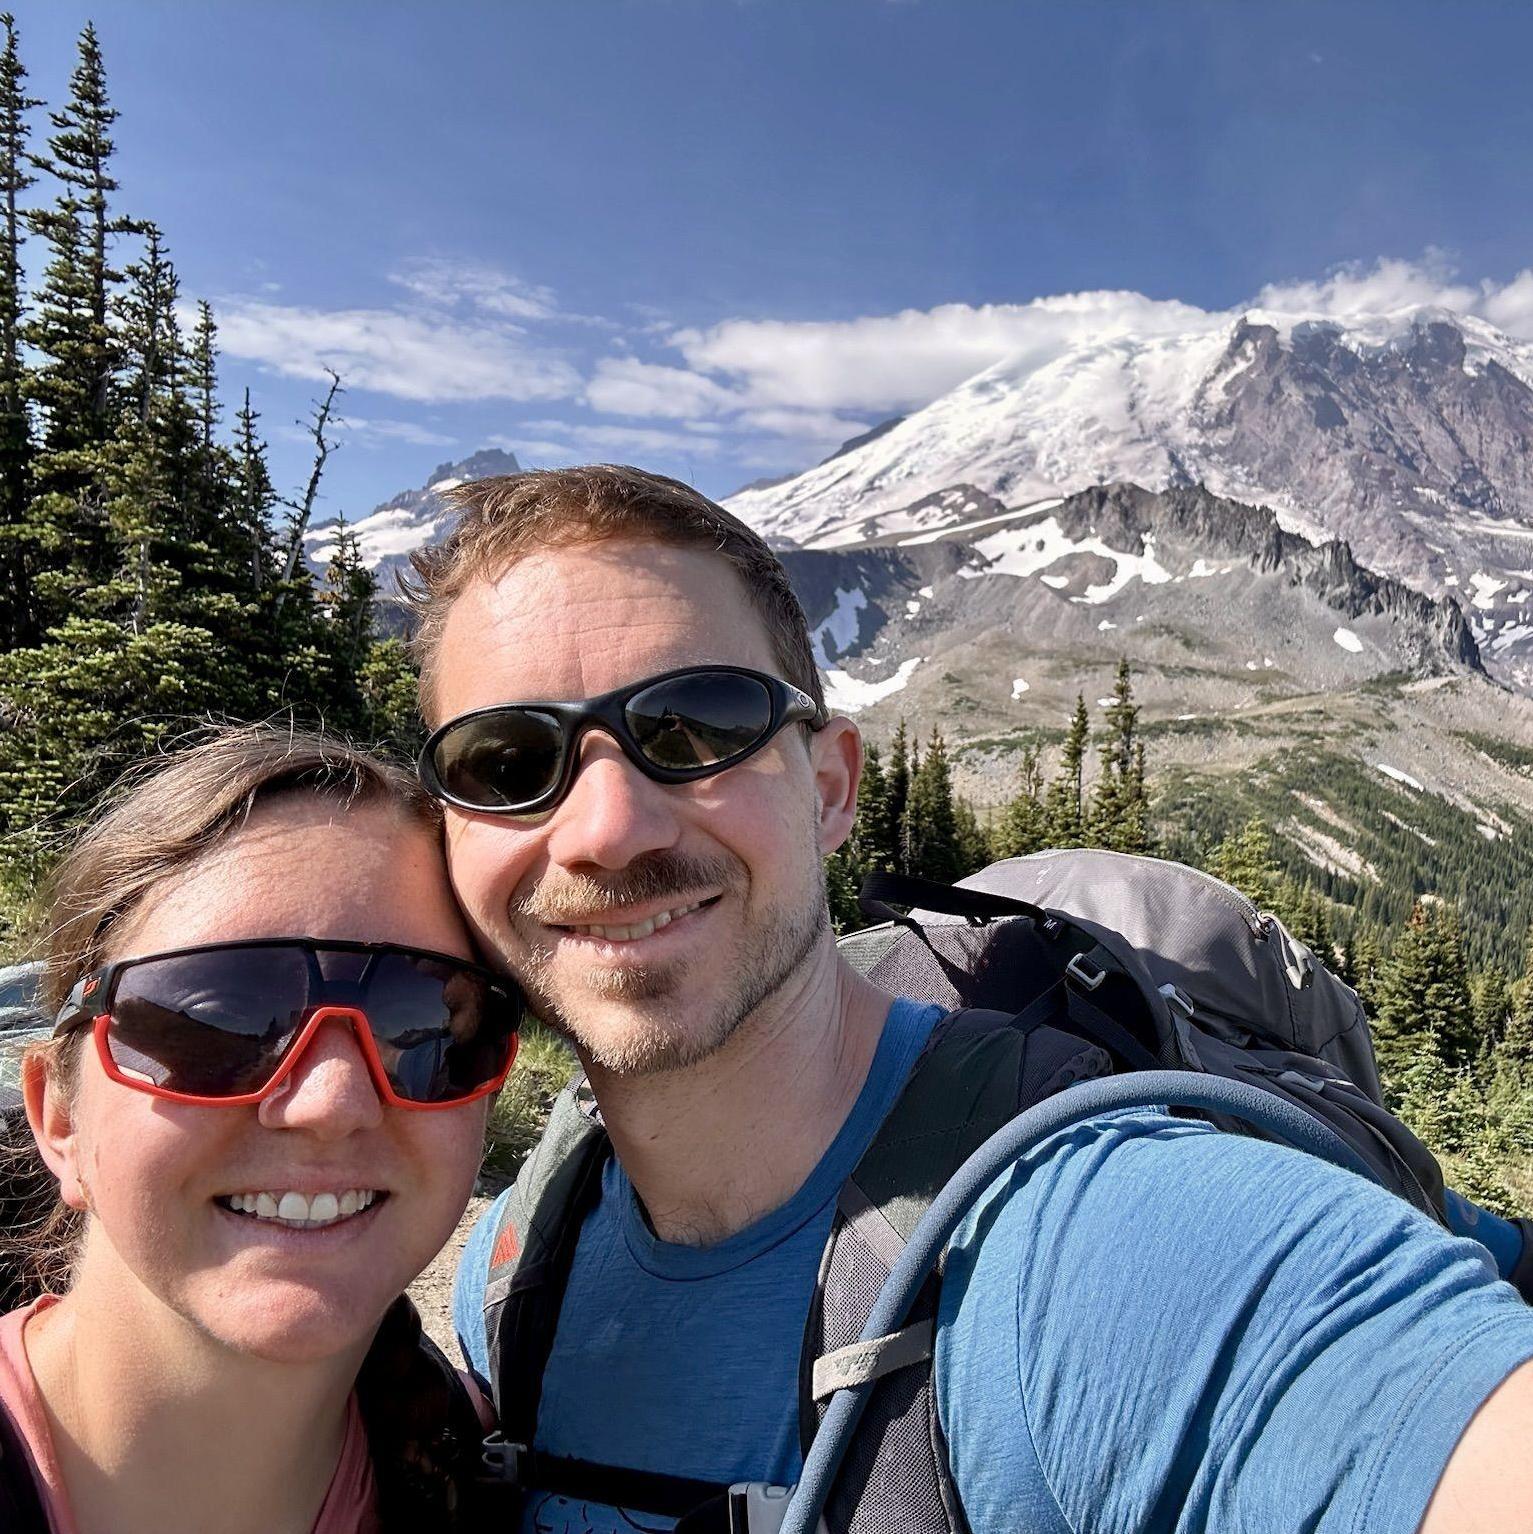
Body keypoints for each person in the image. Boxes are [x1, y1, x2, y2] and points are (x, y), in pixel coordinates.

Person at [425, 465, 1533, 1533]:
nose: (609, 826)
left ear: (829, 789)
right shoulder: (516, 1267)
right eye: (505, 760)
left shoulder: (1087, 1242)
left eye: (697, 725)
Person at [0, 725, 523, 1534]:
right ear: (59, 1117)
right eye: (222, 1020)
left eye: (421, 1026)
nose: (333, 1101)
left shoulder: (480, 1479)